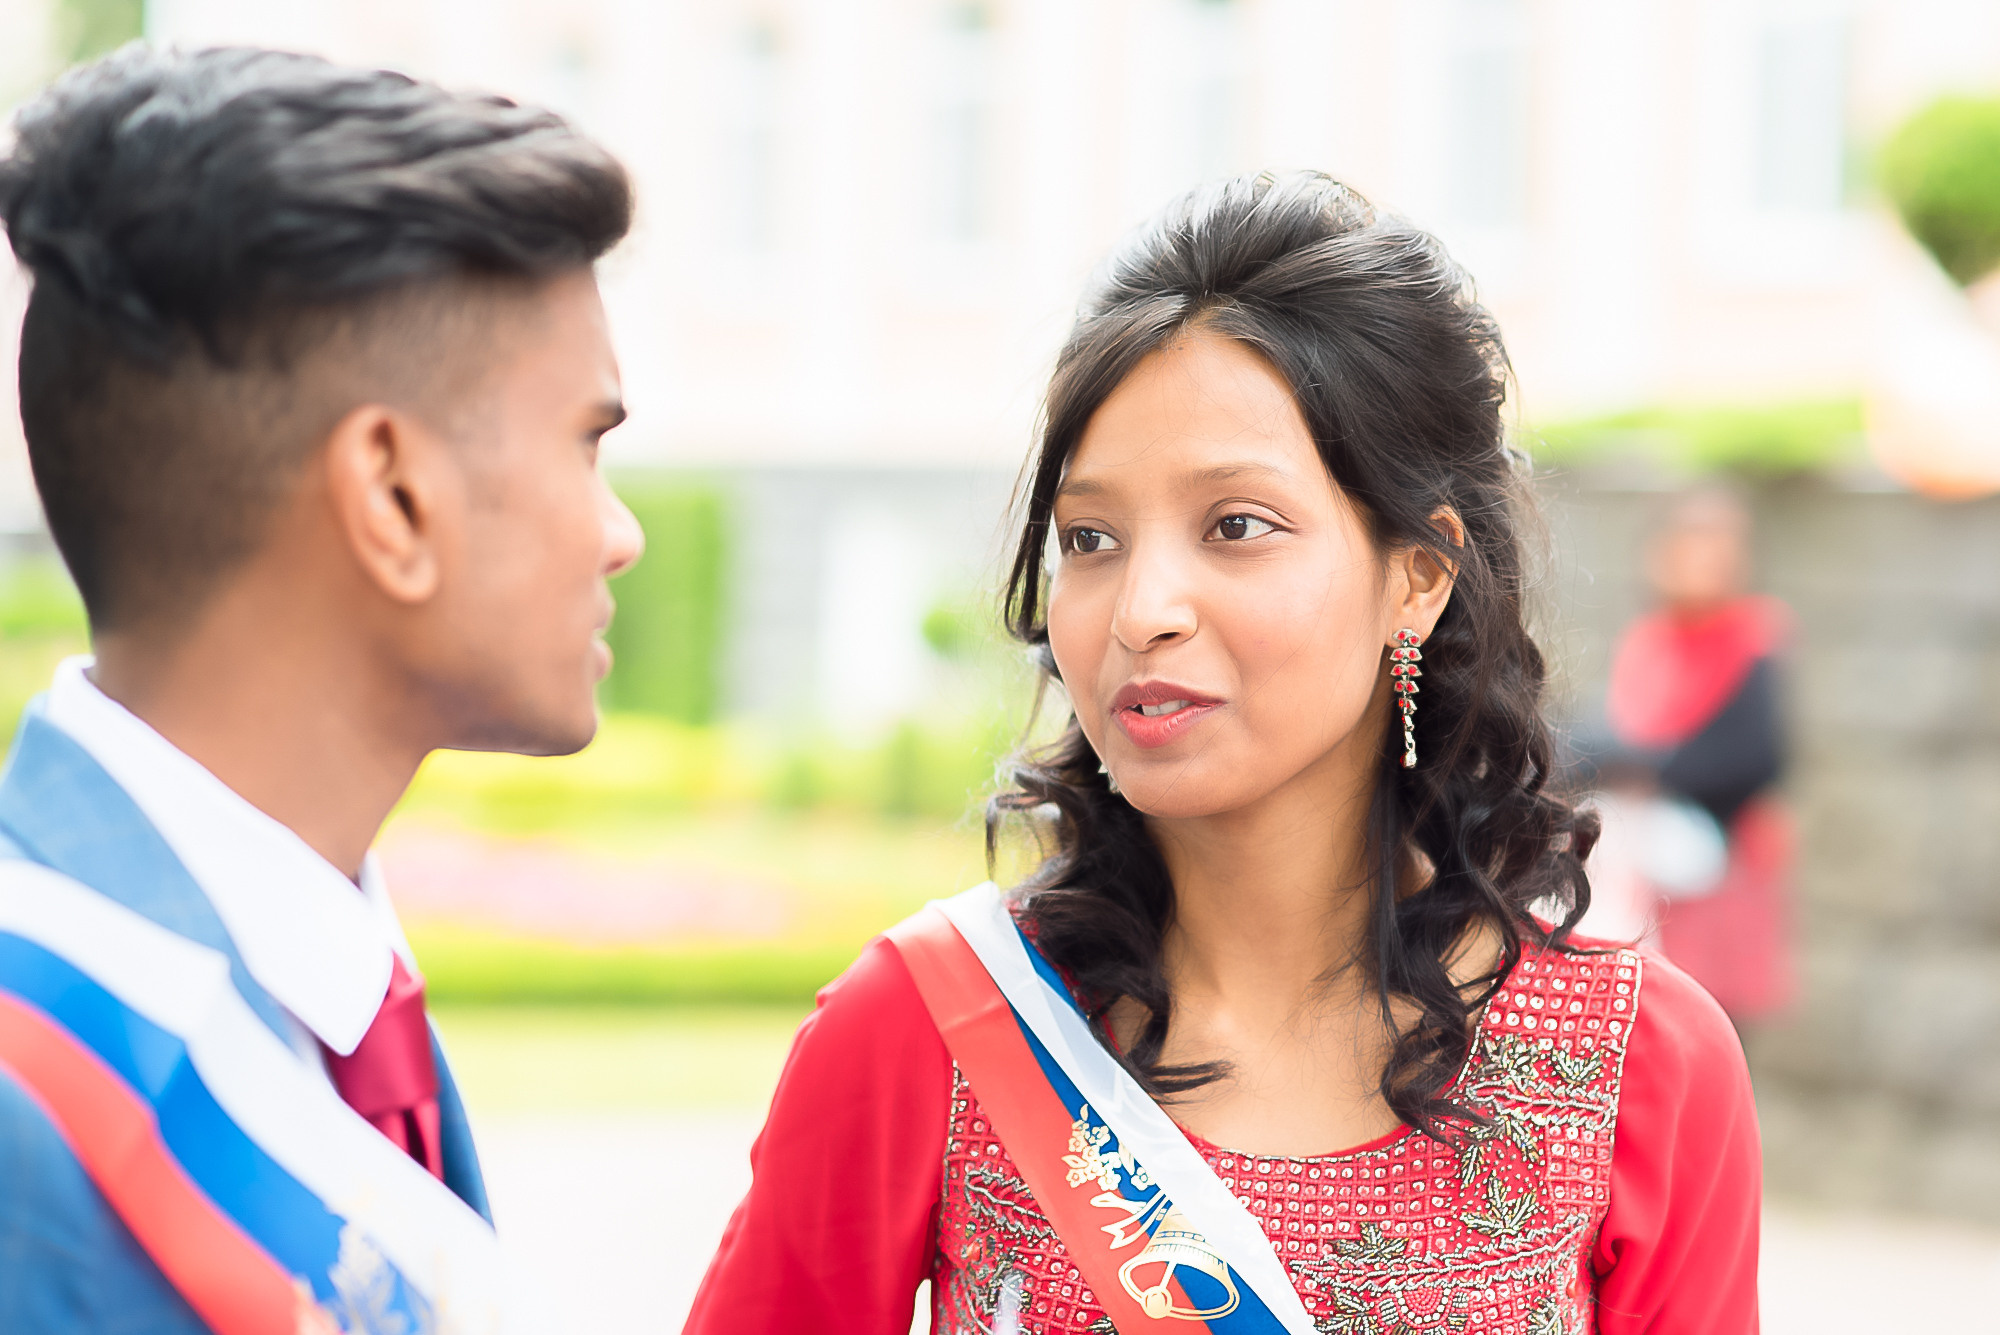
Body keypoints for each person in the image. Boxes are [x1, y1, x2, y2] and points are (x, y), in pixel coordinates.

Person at [687, 174, 1760, 1334]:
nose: (1139, 607)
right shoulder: (934, 1028)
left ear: (1417, 574)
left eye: (1234, 526)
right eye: (1089, 539)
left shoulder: (1637, 1074)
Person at [0, 45, 640, 1331]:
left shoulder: (324, 983)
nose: (617, 531)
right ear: (392, 495)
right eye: (587, 442)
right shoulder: (34, 1092)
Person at [1601, 488, 1795, 1023]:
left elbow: (1751, 757)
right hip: (1648, 871)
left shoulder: (1753, 638)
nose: (1707, 554)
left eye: (1721, 539)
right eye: (1691, 536)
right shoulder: (1648, 641)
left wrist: (1645, 765)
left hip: (1724, 867)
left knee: (1712, 1024)